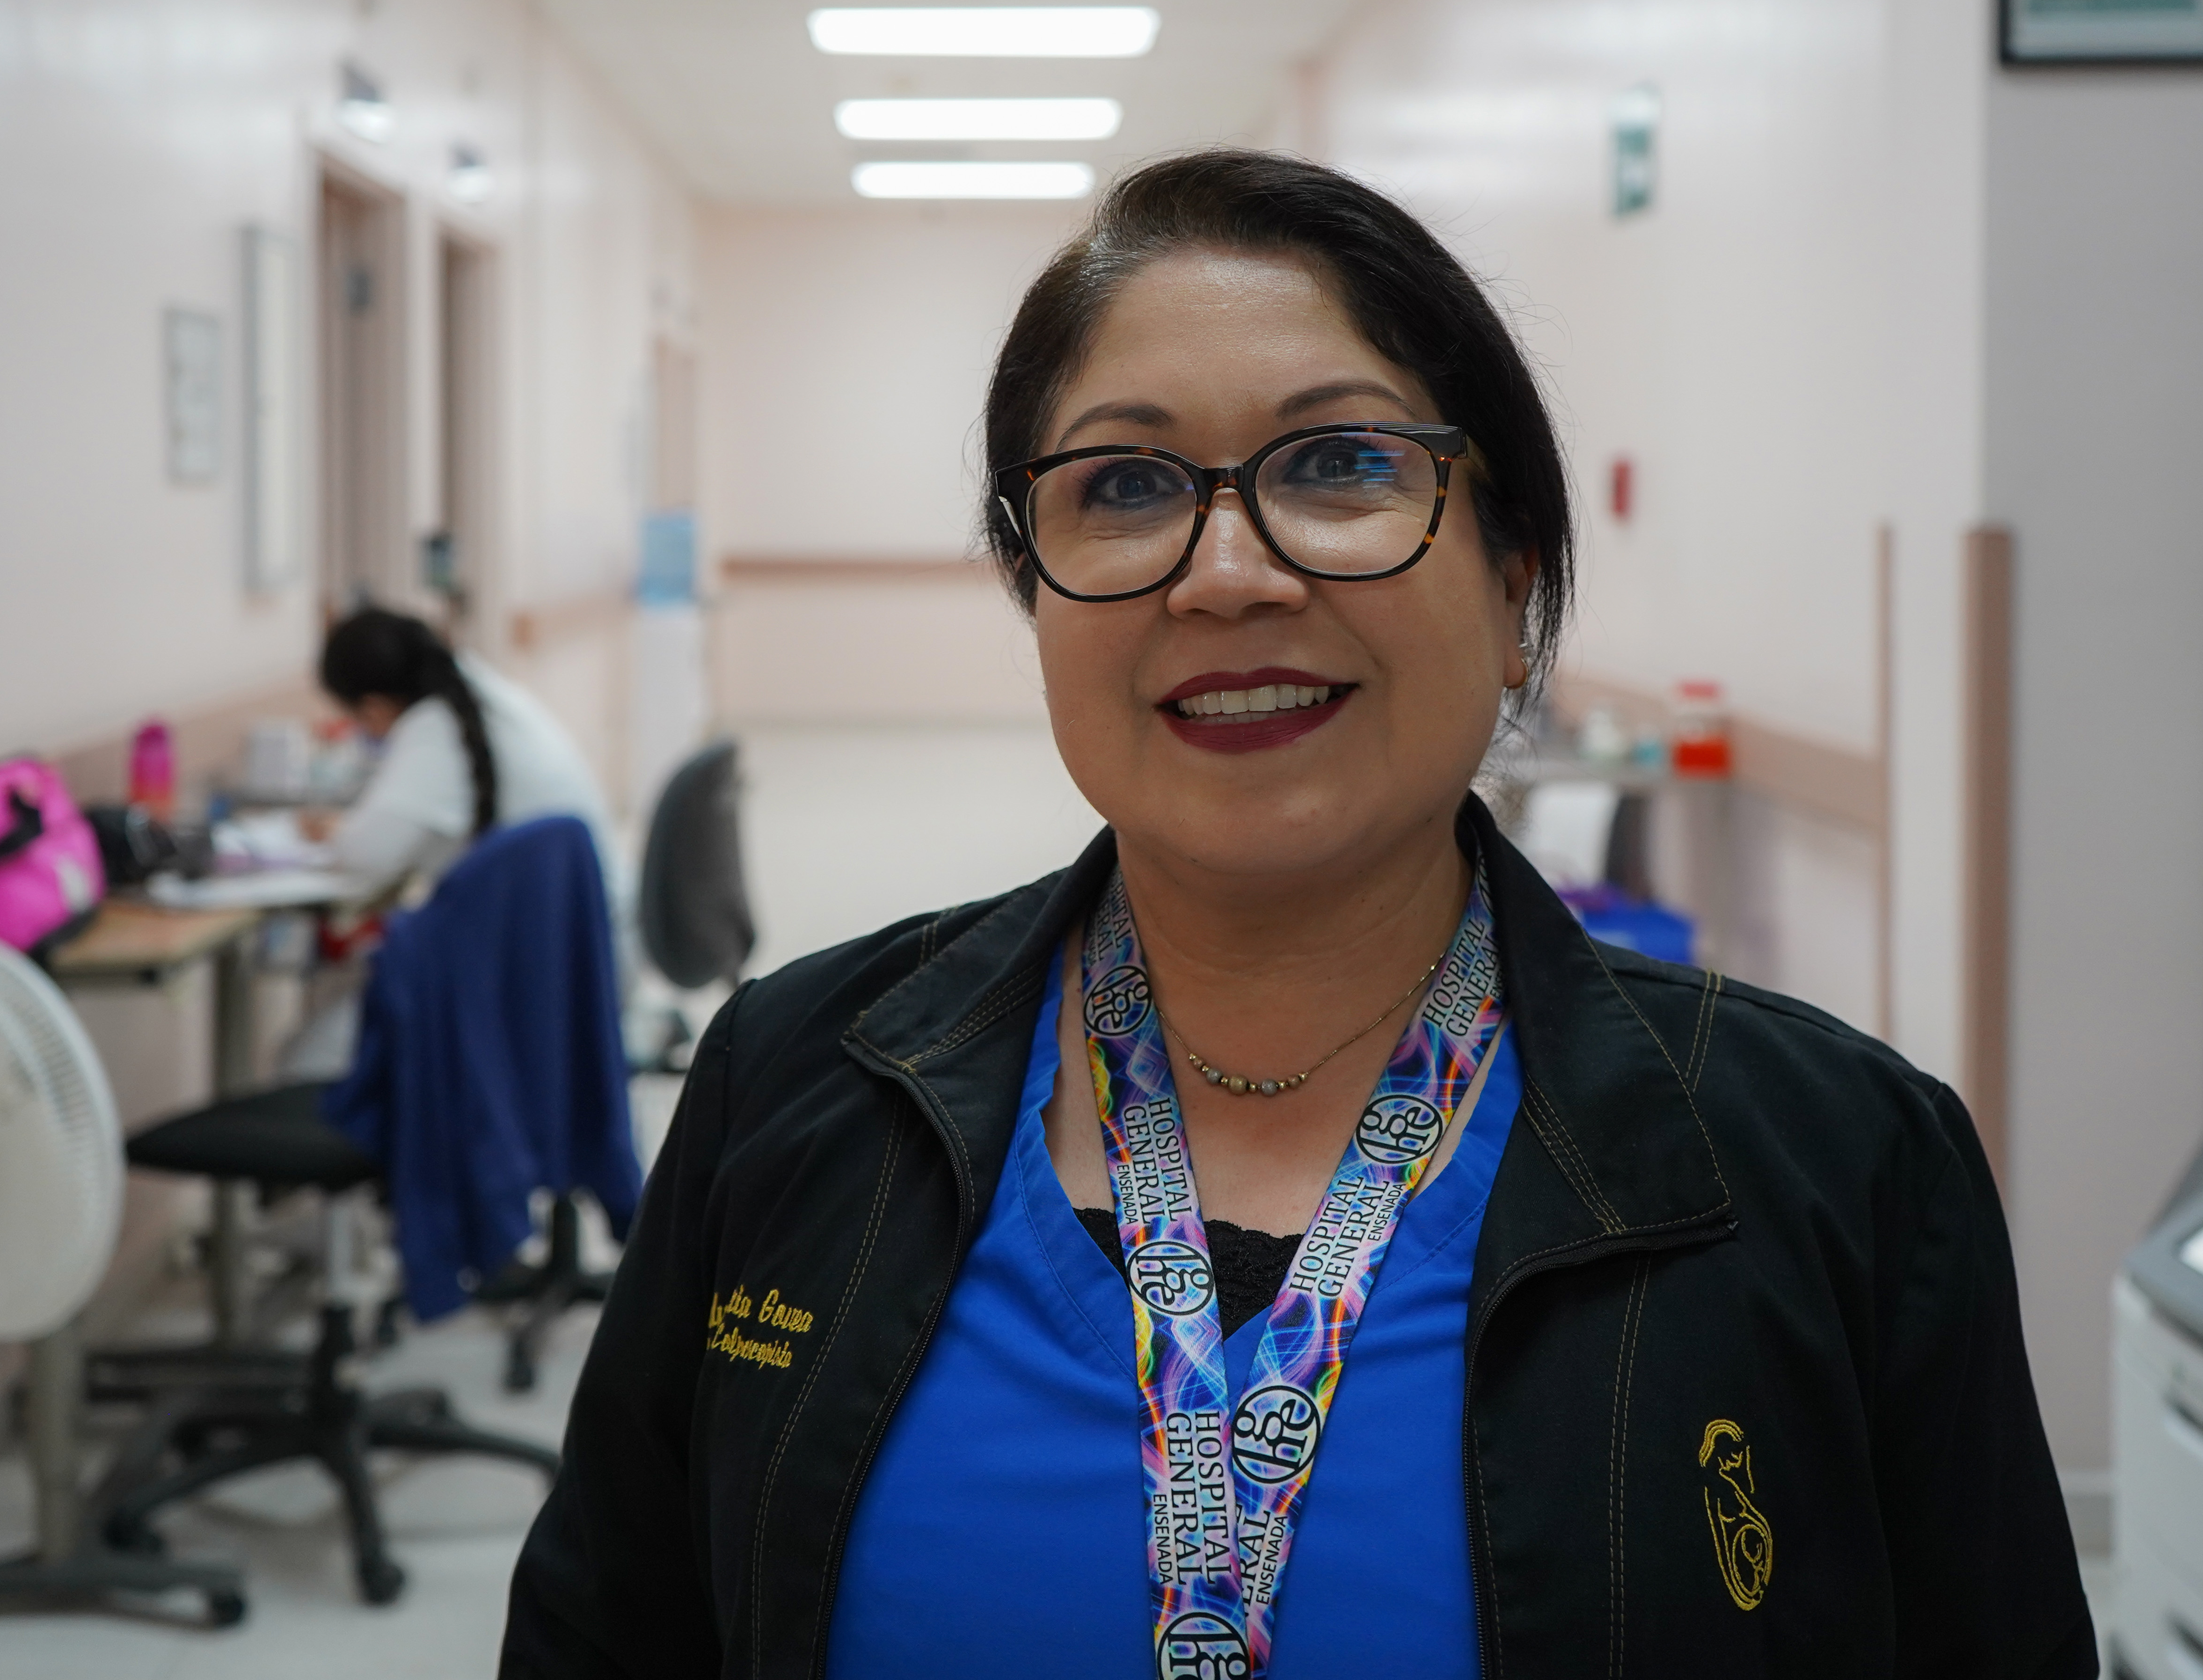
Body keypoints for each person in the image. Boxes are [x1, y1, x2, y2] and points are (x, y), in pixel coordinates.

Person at [501, 151, 2092, 1677]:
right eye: (1126, 486)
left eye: (1338, 464)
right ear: (1035, 593)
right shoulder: (797, 1084)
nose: (1228, 573)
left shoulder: (1836, 1166)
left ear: (1515, 577)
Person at [314, 606, 628, 928]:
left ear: (374, 707)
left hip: (573, 937)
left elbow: (364, 856)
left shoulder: (435, 728)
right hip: (584, 928)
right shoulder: (476, 692)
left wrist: (336, 832)